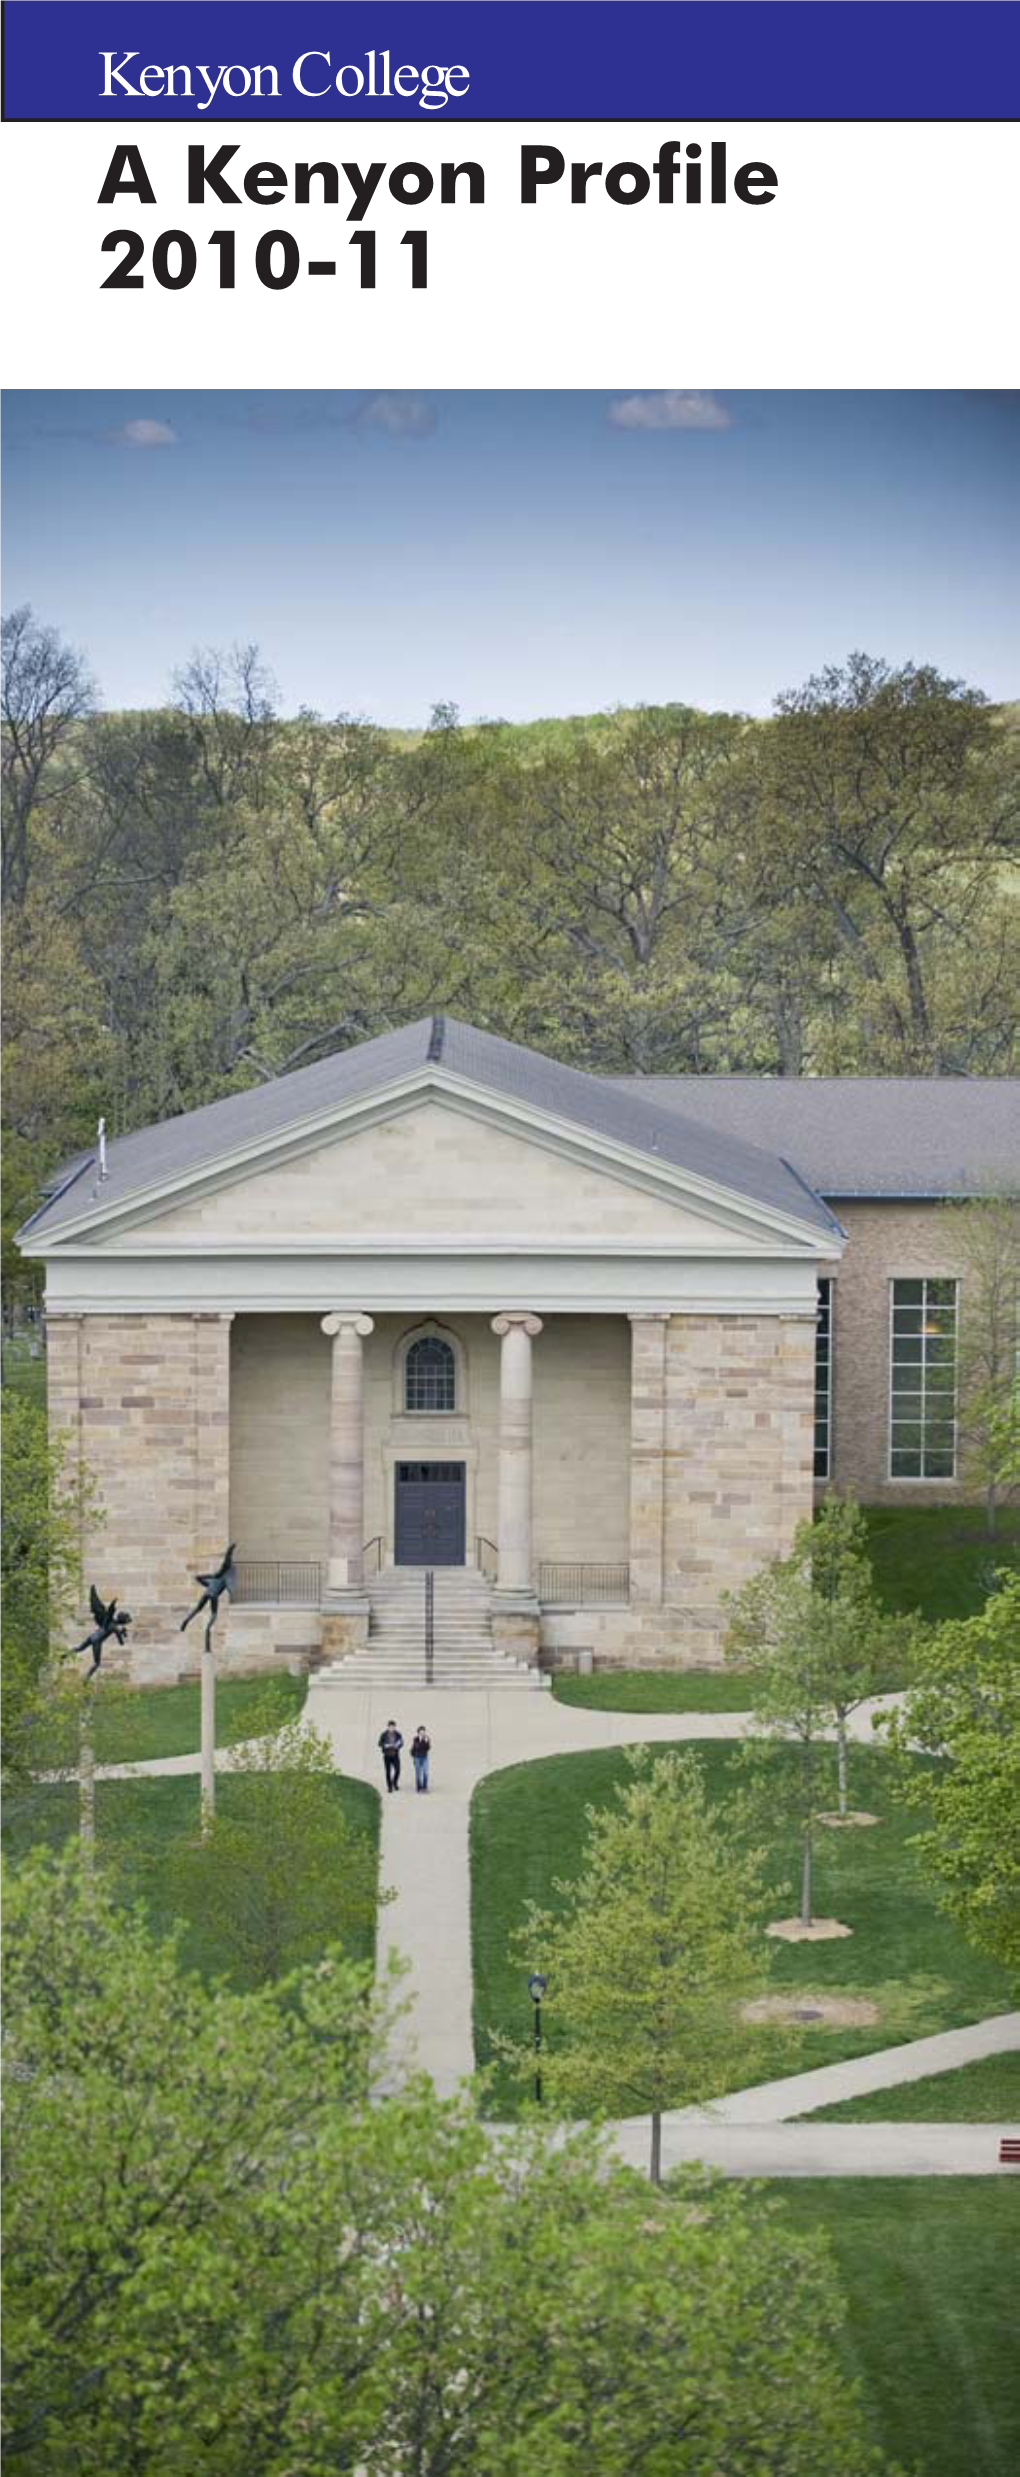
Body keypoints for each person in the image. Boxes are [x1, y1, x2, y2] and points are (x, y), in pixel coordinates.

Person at [379, 1719, 403, 1793]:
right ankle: (389, 1787)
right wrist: (385, 1745)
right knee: (388, 1772)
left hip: (395, 1755)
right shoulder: (384, 1734)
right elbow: (380, 1743)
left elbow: (401, 1742)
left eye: (393, 1727)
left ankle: (394, 1783)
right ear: (388, 1727)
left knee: (398, 1770)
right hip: (387, 1755)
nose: (392, 1728)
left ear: (395, 1727)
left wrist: (398, 1745)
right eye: (390, 1727)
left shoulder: (398, 1734)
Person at [411, 1724, 431, 1793]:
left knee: (425, 1772)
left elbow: (428, 1748)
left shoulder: (427, 1738)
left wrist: (426, 1741)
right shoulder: (415, 1739)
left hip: (425, 1757)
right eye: (421, 1731)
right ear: (418, 1732)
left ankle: (425, 1787)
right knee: (418, 1773)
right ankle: (418, 1787)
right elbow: (416, 1747)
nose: (422, 1733)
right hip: (417, 1757)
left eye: (423, 1731)